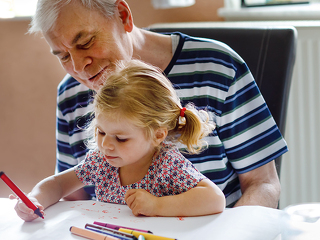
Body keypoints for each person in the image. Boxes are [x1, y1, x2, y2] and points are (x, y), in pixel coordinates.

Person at [27, 0, 287, 208]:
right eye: (62, 55)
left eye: (85, 42)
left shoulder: (218, 68)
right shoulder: (70, 93)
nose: (78, 67)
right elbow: (73, 197)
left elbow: (262, 184)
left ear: (123, 15)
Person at [12, 60, 226, 222]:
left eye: (121, 138)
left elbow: (215, 199)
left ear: (158, 135)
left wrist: (157, 206)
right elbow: (58, 184)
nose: (105, 145)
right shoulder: (101, 162)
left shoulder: (166, 164)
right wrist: (35, 199)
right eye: (101, 132)